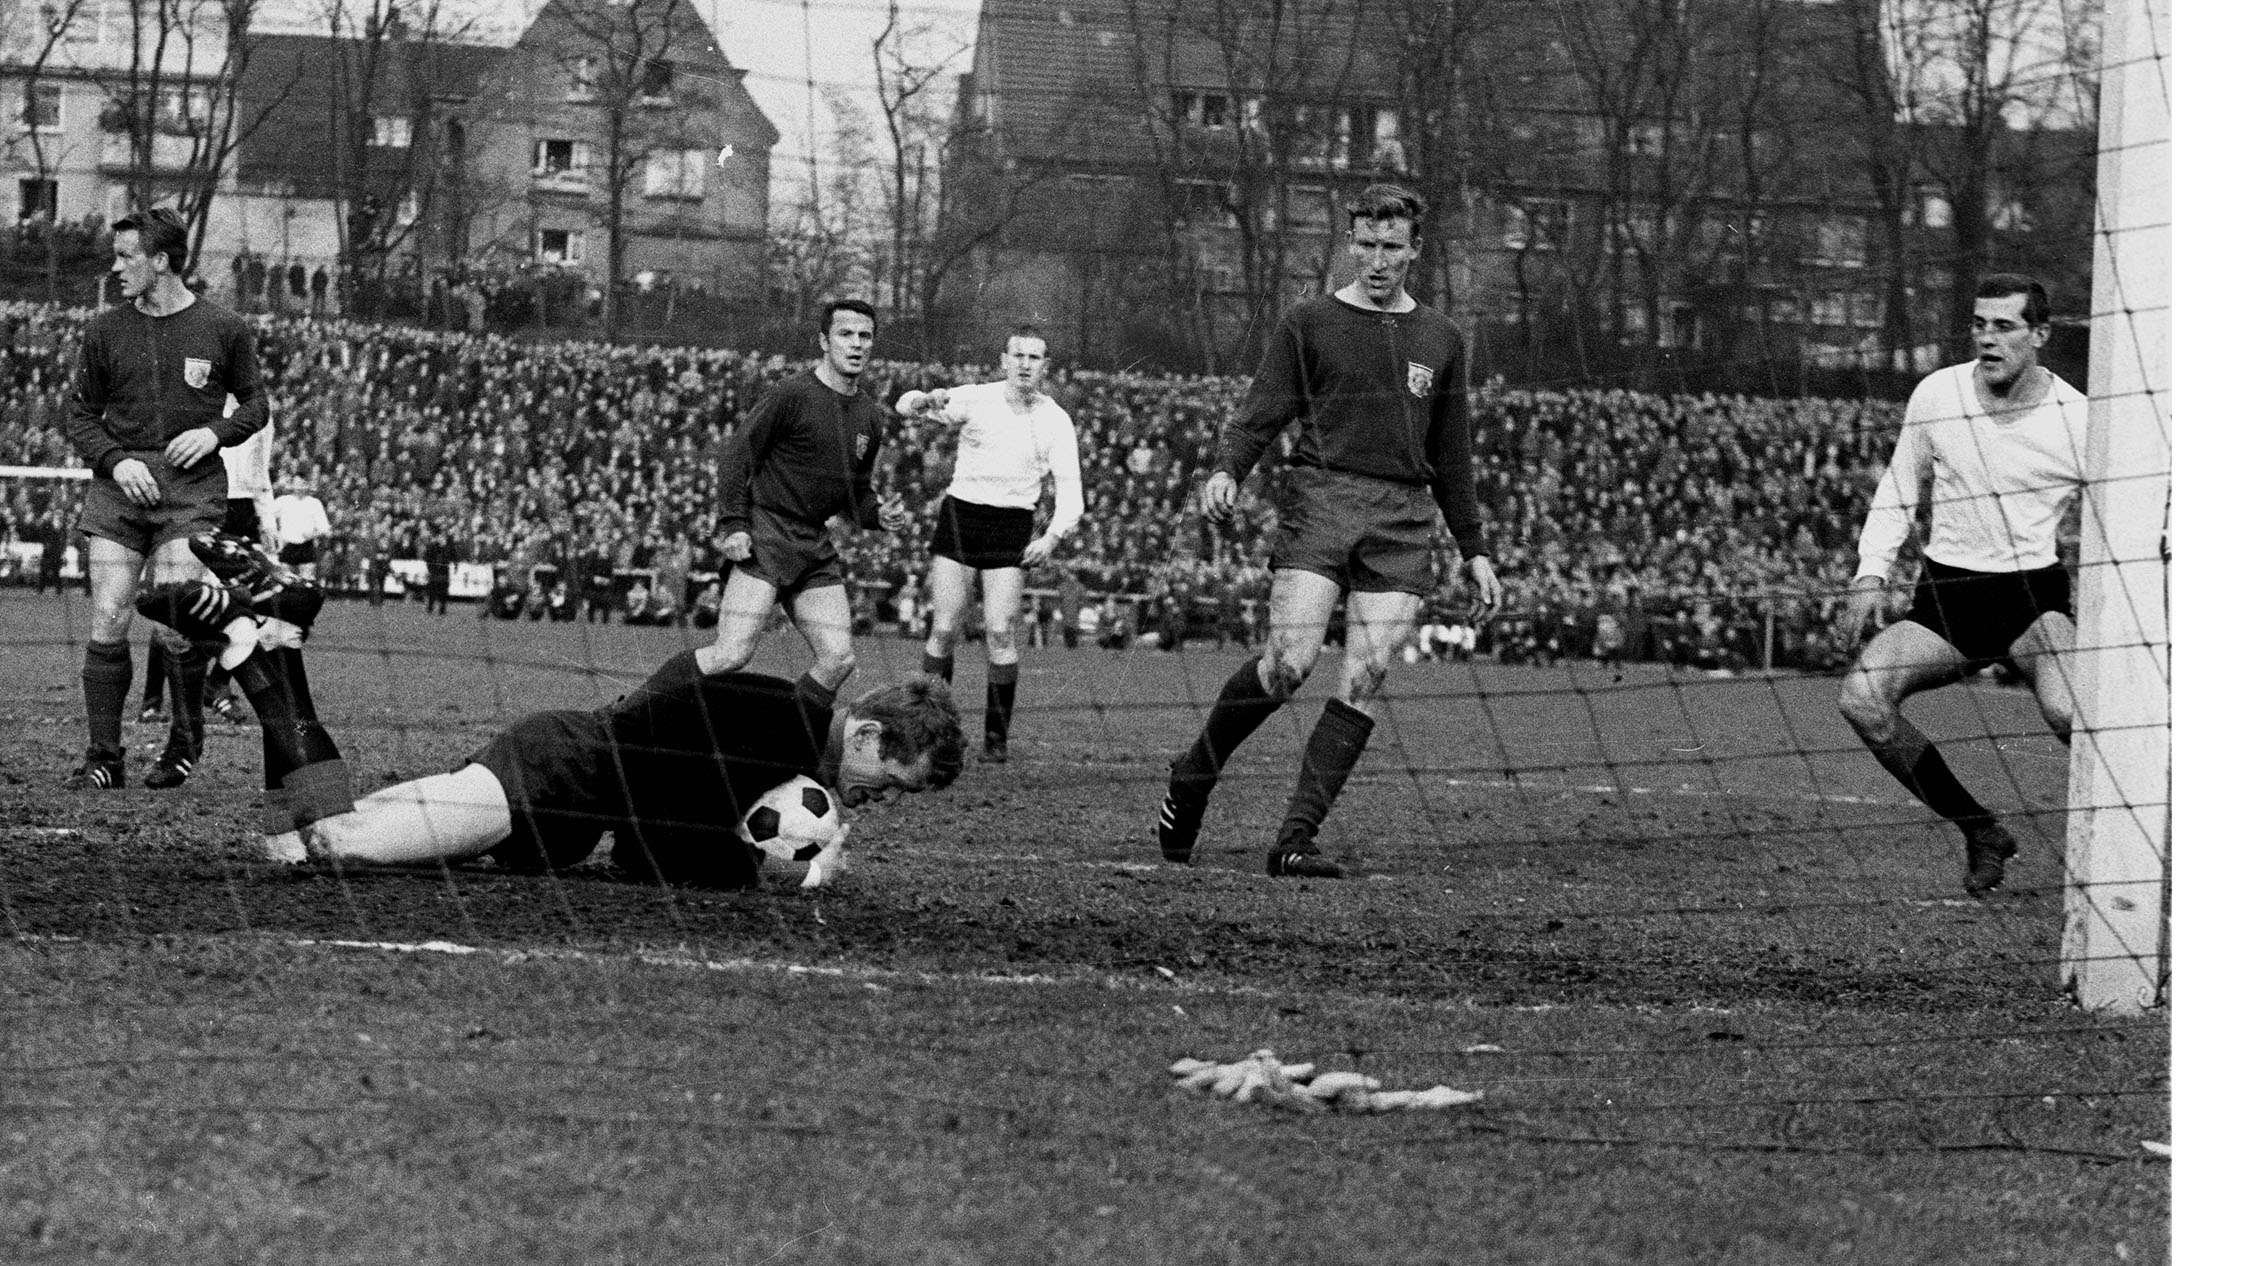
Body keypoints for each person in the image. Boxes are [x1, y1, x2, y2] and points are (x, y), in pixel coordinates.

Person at [136, 555, 966, 889]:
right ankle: (255, 659)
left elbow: (667, 773)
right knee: (334, 846)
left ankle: (276, 637)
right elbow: (655, 828)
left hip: (557, 783)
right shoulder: (783, 729)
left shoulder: (789, 732)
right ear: (866, 739)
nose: (875, 804)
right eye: (888, 786)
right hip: (555, 777)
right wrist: (753, 870)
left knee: (300, 842)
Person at [1153, 184, 1500, 879]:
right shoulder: (1308, 322)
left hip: (1402, 518)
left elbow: (1453, 453)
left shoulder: (1442, 338)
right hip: (1321, 499)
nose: (1378, 261)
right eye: (1366, 245)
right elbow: (1261, 411)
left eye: (1392, 248)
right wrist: (1228, 470)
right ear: (1350, 243)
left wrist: (1475, 549)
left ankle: (1295, 839)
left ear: (1415, 249)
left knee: (1367, 673)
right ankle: (1194, 774)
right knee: (1288, 666)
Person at [1837, 273, 2088, 897]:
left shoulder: (2079, 419)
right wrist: (1872, 570)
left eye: (2004, 326)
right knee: (1863, 700)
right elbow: (1900, 486)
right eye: (1979, 325)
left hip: (2033, 600)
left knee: (2069, 712)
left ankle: (2123, 853)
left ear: (2040, 335)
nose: (1987, 338)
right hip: (1948, 598)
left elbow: (2131, 510)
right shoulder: (1938, 393)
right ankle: (1980, 829)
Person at [62, 206, 270, 791]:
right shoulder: (104, 330)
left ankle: (184, 739)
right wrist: (117, 459)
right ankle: (105, 757)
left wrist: (215, 432)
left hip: (190, 492)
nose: (115, 266)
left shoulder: (223, 328)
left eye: (127, 256)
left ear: (161, 261)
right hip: (119, 488)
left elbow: (256, 405)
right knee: (108, 614)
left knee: (174, 616)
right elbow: (78, 412)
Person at [701, 299, 914, 697]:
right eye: (845, 334)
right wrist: (733, 523)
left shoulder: (869, 415)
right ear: (823, 340)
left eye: (864, 336)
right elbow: (737, 454)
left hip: (813, 545)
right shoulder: (792, 393)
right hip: (766, 535)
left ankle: (787, 741)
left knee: (838, 659)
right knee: (730, 655)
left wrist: (880, 515)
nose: (856, 344)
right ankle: (636, 714)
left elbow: (857, 493)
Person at [895, 327, 1087, 762]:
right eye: (1017, 355)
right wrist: (921, 401)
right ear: (1003, 360)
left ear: (1045, 366)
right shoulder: (975, 397)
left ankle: (996, 742)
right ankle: (933, 735)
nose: (1024, 364)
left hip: (1012, 524)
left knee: (1000, 632)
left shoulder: (1056, 419)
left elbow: (1071, 492)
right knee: (944, 629)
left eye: (1034, 357)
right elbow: (905, 406)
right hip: (962, 517)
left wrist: (1052, 537)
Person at [271, 474, 331, 581]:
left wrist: (313, 534)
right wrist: (276, 535)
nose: (299, 487)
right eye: (297, 484)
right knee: (286, 582)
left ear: (307, 485)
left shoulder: (314, 503)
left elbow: (325, 528)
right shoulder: (283, 501)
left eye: (303, 484)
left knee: (307, 583)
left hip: (306, 547)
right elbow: (267, 517)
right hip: (287, 546)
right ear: (292, 485)